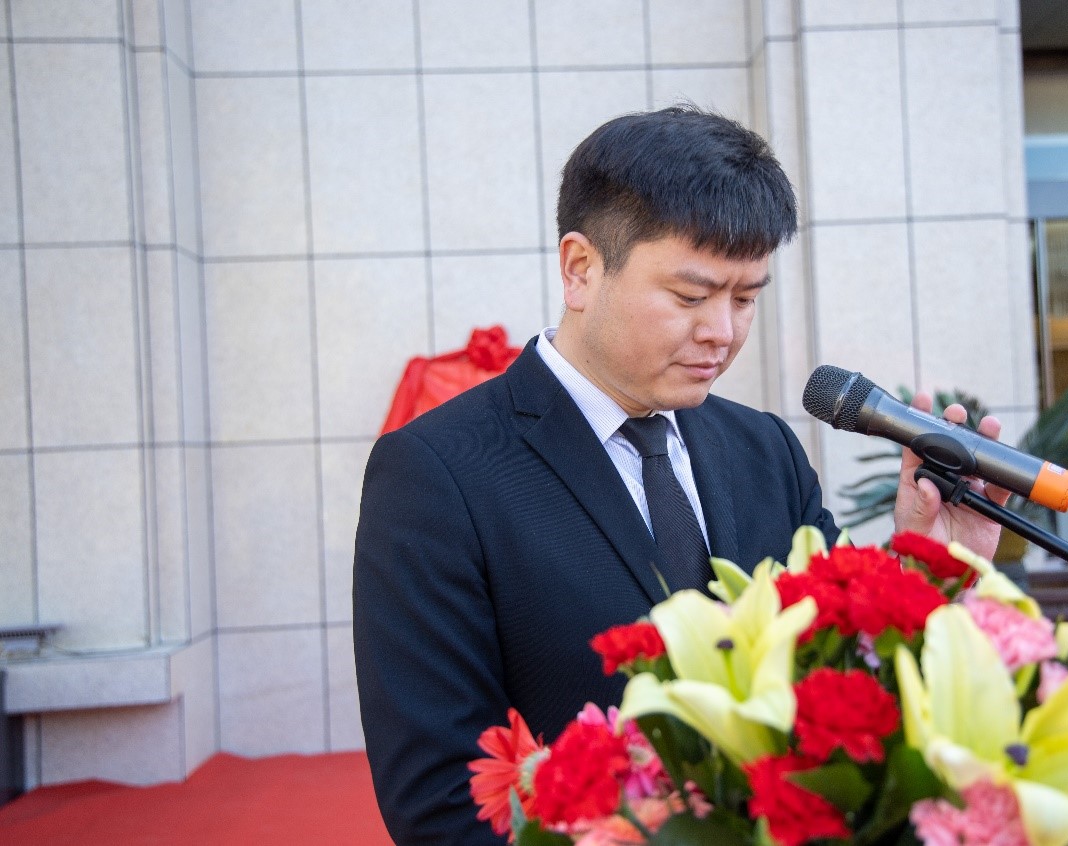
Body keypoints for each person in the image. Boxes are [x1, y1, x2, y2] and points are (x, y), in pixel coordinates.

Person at [352, 106, 1007, 845]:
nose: (721, 332)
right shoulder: (437, 471)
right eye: (690, 297)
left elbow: (847, 696)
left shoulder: (765, 450)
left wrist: (933, 567)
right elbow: (441, 798)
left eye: (746, 298)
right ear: (580, 269)